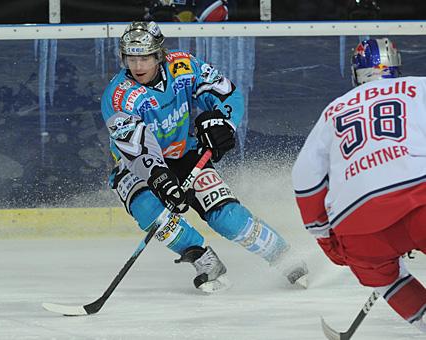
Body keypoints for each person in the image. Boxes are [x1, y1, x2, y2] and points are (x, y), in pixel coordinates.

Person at [101, 21, 308, 293]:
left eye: (145, 57)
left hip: (183, 153)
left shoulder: (183, 66)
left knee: (227, 217)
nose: (138, 66)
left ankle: (282, 256)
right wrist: (160, 177)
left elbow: (225, 93)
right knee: (151, 211)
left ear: (159, 54)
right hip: (136, 166)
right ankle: (202, 258)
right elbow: (135, 145)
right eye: (131, 58)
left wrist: (223, 122)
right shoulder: (118, 96)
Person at [292, 37, 426, 333]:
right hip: (419, 202)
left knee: (387, 278)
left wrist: (326, 237)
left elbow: (304, 179)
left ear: (356, 73)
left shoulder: (333, 110)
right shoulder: (419, 87)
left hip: (357, 228)